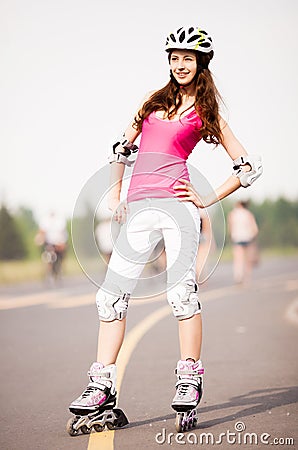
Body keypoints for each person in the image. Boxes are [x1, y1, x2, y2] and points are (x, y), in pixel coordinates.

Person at [68, 25, 263, 432]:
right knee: (110, 297)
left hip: (178, 209)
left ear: (201, 63)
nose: (180, 64)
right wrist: (115, 195)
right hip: (138, 209)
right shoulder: (152, 102)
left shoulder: (206, 113)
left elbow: (248, 167)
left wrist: (209, 199)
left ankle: (189, 377)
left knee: (180, 292)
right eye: (174, 57)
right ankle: (101, 384)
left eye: (188, 58)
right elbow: (120, 148)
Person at [228, 200, 259, 285]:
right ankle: (247, 278)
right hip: (247, 238)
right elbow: (255, 229)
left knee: (238, 259)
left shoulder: (232, 214)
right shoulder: (248, 214)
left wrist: (231, 236)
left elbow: (230, 227)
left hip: (237, 238)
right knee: (247, 260)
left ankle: (238, 276)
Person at [35, 211, 68, 281]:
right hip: (49, 243)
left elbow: (62, 234)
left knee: (61, 256)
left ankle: (59, 270)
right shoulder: (45, 222)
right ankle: (49, 272)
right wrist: (39, 240)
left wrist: (62, 243)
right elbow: (41, 232)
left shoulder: (60, 222)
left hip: (59, 242)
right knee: (48, 256)